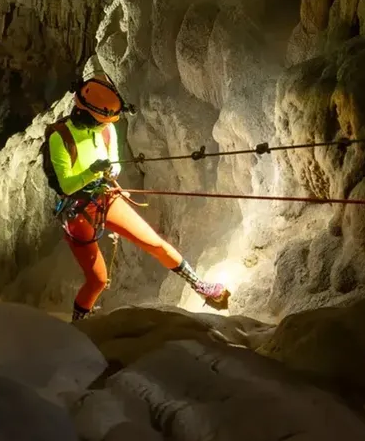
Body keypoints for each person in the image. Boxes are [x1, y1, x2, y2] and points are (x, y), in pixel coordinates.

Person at [43, 74, 230, 322]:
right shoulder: (60, 137)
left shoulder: (107, 129)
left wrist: (111, 169)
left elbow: (115, 161)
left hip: (104, 197)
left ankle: (200, 286)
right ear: (86, 114)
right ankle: (78, 325)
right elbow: (66, 185)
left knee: (154, 243)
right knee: (97, 279)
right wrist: (92, 171)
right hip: (77, 209)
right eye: (100, 122)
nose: (104, 126)